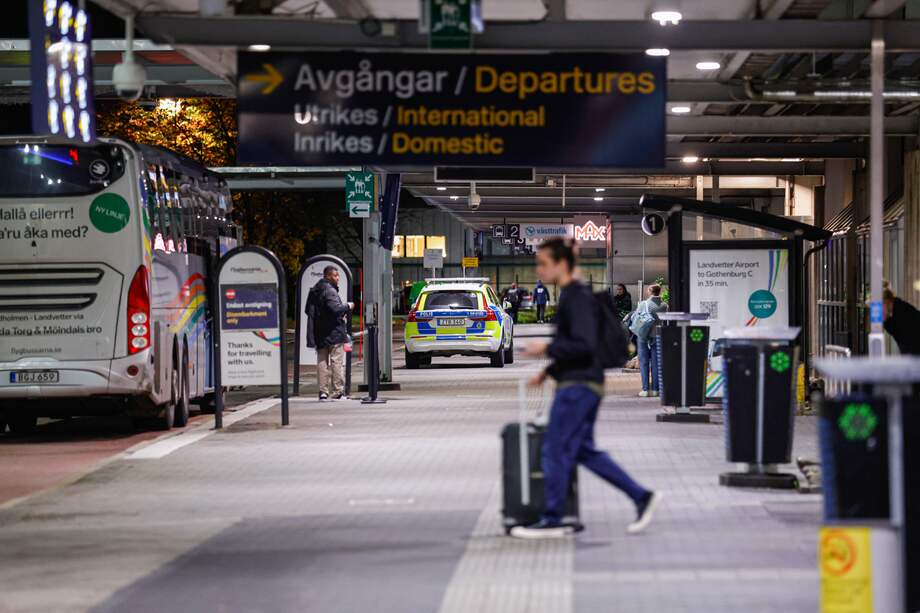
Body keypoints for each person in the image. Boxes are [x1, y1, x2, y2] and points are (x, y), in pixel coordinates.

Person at [511, 238, 661, 539]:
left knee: (554, 448)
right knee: (582, 450)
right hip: (584, 382)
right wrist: (548, 371)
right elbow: (579, 344)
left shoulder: (575, 296)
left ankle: (554, 518)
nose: (539, 270)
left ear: (561, 264)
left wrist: (546, 348)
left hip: (577, 386)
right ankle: (641, 496)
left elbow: (583, 344)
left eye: (544, 263)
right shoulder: (575, 294)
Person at [306, 266, 353, 401]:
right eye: (335, 276)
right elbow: (336, 309)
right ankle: (338, 391)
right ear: (328, 276)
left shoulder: (315, 290)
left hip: (319, 332)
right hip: (334, 332)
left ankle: (323, 392)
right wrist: (348, 306)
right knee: (336, 361)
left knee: (322, 362)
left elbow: (308, 310)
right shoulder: (330, 290)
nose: (338, 278)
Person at [631, 284, 668, 398]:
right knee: (656, 363)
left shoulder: (644, 304)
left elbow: (636, 318)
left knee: (644, 363)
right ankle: (656, 390)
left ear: (650, 291)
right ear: (659, 292)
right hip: (658, 336)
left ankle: (646, 389)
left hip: (643, 336)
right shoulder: (665, 305)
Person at [883, 287, 920, 355]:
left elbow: (905, 341)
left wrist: (886, 320)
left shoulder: (901, 311)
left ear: (886, 302)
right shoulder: (897, 309)